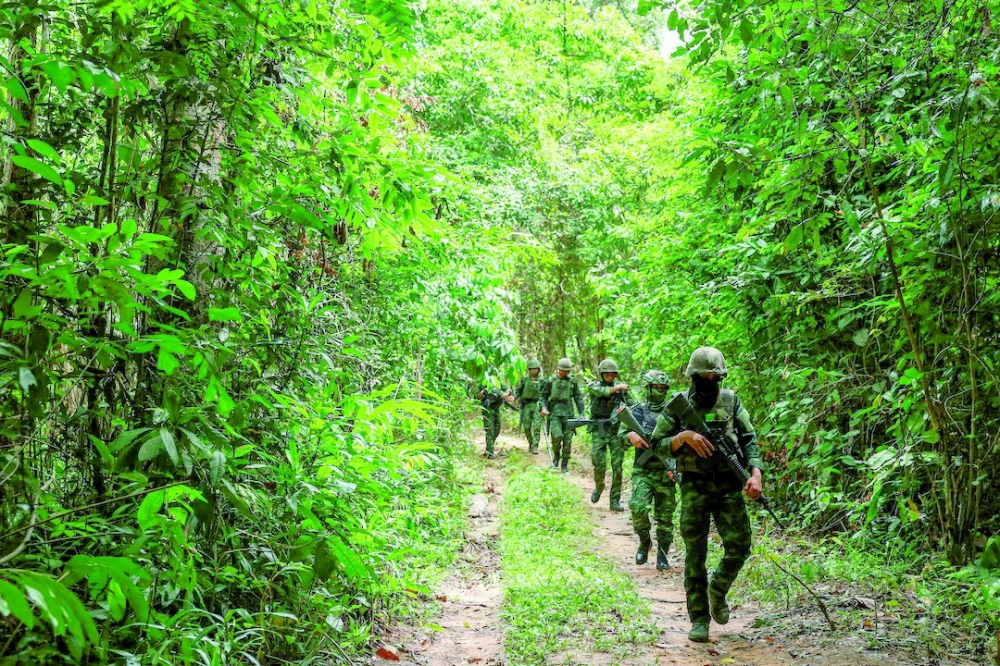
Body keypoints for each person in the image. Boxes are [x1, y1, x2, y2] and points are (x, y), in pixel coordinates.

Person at [646, 347, 765, 643]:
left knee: (740, 546)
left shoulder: (731, 401)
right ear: (693, 377)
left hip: (728, 486)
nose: (710, 380)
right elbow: (655, 444)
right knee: (695, 555)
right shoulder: (679, 406)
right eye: (704, 376)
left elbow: (749, 439)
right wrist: (683, 437)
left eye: (715, 376)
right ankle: (699, 619)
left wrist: (756, 473)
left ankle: (718, 590)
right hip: (694, 487)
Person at [621, 369, 676, 570]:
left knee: (665, 516)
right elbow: (620, 434)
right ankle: (644, 541)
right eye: (656, 387)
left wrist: (675, 467)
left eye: (663, 388)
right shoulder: (637, 410)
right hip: (642, 469)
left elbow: (682, 443)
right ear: (648, 388)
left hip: (665, 470)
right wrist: (629, 436)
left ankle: (662, 555)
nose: (660, 391)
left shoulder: (673, 412)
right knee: (638, 507)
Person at [586, 358, 632, 512]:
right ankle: (599, 486)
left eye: (613, 375)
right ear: (602, 374)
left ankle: (614, 500)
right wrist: (619, 387)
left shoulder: (621, 392)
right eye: (607, 375)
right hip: (599, 430)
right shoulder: (594, 386)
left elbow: (634, 406)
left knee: (617, 467)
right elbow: (602, 392)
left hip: (615, 431)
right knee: (598, 462)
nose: (610, 378)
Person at [540, 358, 584, 472]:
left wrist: (582, 413)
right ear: (558, 370)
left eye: (567, 371)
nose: (565, 373)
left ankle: (564, 464)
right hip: (555, 413)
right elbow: (543, 396)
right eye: (563, 371)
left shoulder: (572, 382)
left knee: (568, 440)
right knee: (556, 436)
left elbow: (578, 397)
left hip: (569, 414)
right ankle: (556, 457)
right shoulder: (550, 380)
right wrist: (543, 407)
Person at [475, 382, 514, 458]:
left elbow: (508, 390)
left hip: (496, 409)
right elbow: (477, 396)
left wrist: (507, 394)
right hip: (487, 409)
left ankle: (488, 449)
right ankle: (490, 453)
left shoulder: (498, 384)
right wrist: (483, 391)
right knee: (490, 430)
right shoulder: (483, 384)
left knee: (497, 428)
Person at [514, 359, 545, 454]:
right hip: (526, 405)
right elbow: (519, 390)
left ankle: (535, 446)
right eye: (532, 369)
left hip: (537, 405)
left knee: (536, 427)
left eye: (536, 369)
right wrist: (515, 398)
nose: (534, 371)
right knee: (526, 426)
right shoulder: (525, 380)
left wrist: (544, 406)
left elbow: (545, 393)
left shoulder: (542, 381)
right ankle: (530, 443)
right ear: (529, 370)